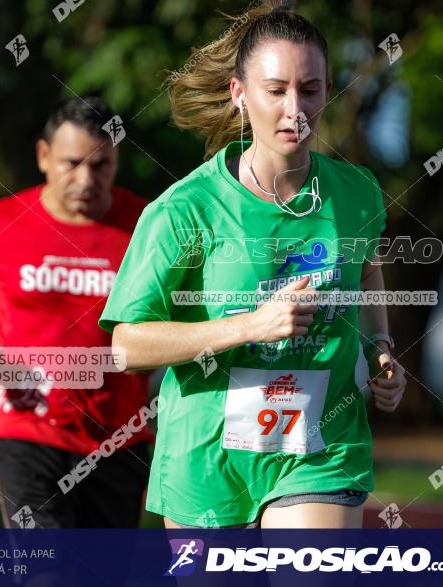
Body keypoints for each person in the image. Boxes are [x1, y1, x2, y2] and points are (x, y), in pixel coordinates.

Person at [101, 1, 406, 529]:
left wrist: (380, 349)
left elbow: (367, 269)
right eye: (276, 90)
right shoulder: (184, 210)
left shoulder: (356, 193)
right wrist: (251, 325)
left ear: (327, 91)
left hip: (320, 449)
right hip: (208, 455)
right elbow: (127, 346)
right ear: (240, 95)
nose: (296, 109)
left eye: (310, 89)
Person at [0, 96, 152, 528]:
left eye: (101, 166)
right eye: (72, 163)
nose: (85, 179)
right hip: (27, 429)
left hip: (119, 438)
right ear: (44, 156)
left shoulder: (148, 225)